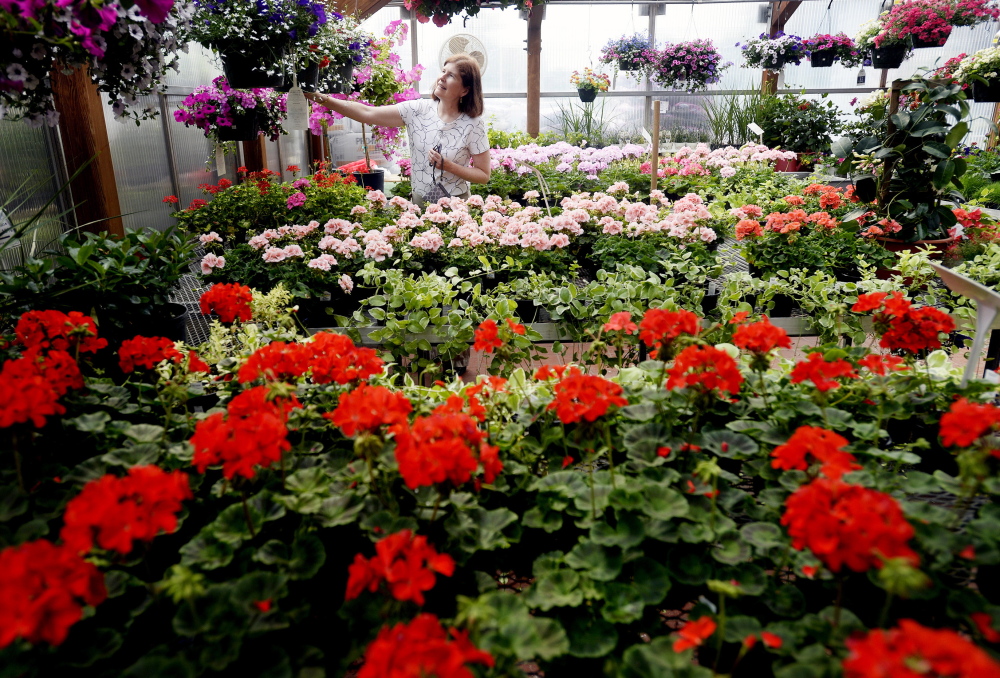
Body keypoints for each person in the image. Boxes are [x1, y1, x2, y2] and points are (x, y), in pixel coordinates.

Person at [305, 53, 491, 206]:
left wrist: (449, 166)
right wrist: (318, 97)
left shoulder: (473, 124)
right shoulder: (417, 110)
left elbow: (483, 175)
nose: (441, 78)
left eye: (451, 75)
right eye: (443, 71)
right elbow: (367, 113)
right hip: (420, 201)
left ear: (465, 90)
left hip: (456, 206)